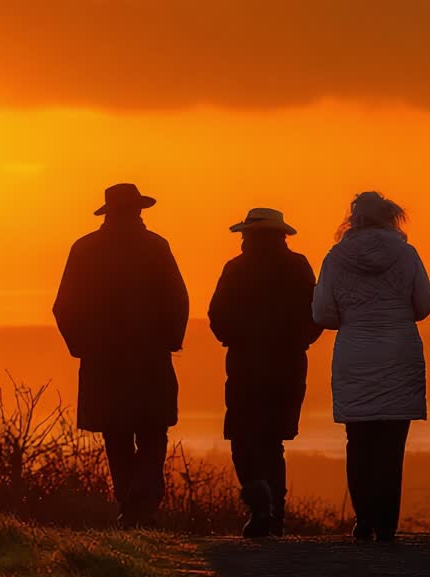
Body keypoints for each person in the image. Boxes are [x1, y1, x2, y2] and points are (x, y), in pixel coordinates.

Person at [53, 184, 189, 528]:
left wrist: (81, 346)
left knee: (115, 434)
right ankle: (139, 502)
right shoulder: (156, 247)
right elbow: (178, 299)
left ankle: (130, 503)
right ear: (139, 211)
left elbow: (63, 307)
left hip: (103, 361)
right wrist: (171, 340)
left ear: (108, 212)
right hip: (150, 357)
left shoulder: (84, 249)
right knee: (152, 431)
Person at [313, 192, 430, 542]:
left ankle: (364, 518)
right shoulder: (407, 255)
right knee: (392, 444)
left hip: (355, 354)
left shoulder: (335, 258)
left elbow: (322, 313)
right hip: (400, 354)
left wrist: (352, 319)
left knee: (359, 440)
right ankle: (387, 522)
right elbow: (423, 304)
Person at [209, 208, 323, 539]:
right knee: (272, 442)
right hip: (288, 365)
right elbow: (316, 313)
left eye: (245, 234)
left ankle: (260, 500)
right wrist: (299, 341)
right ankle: (275, 515)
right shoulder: (298, 266)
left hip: (245, 365)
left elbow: (217, 314)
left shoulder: (236, 268)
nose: (242, 240)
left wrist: (233, 338)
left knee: (242, 438)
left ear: (251, 236)